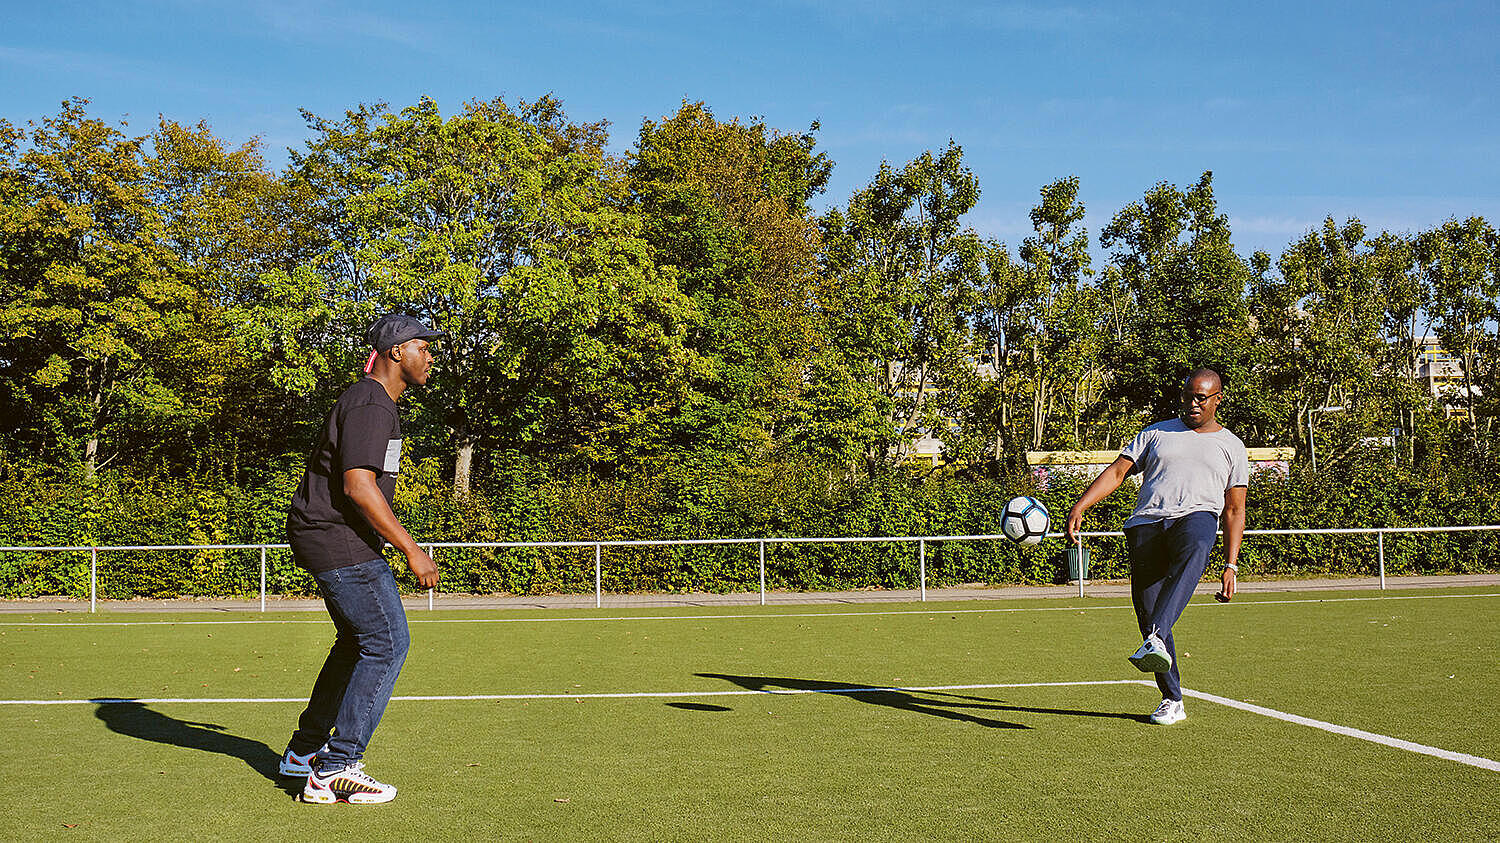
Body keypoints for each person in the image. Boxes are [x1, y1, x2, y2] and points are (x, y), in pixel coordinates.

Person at [278, 313, 442, 803]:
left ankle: (304, 754)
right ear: (396, 353)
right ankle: (337, 765)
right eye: (422, 348)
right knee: (387, 642)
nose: (430, 358)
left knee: (356, 643)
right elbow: (358, 486)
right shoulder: (372, 405)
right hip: (335, 536)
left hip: (326, 535)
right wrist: (412, 549)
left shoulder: (372, 402)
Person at [1064, 368, 1248, 726]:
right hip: (1146, 524)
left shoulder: (1232, 446)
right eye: (1188, 395)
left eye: (1202, 397)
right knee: (1148, 613)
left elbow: (1234, 509)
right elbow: (1117, 472)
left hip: (1195, 517)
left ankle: (1157, 637)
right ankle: (1172, 698)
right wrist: (1081, 504)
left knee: (1197, 544)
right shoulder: (1155, 433)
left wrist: (1231, 565)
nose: (1193, 403)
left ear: (1218, 399)